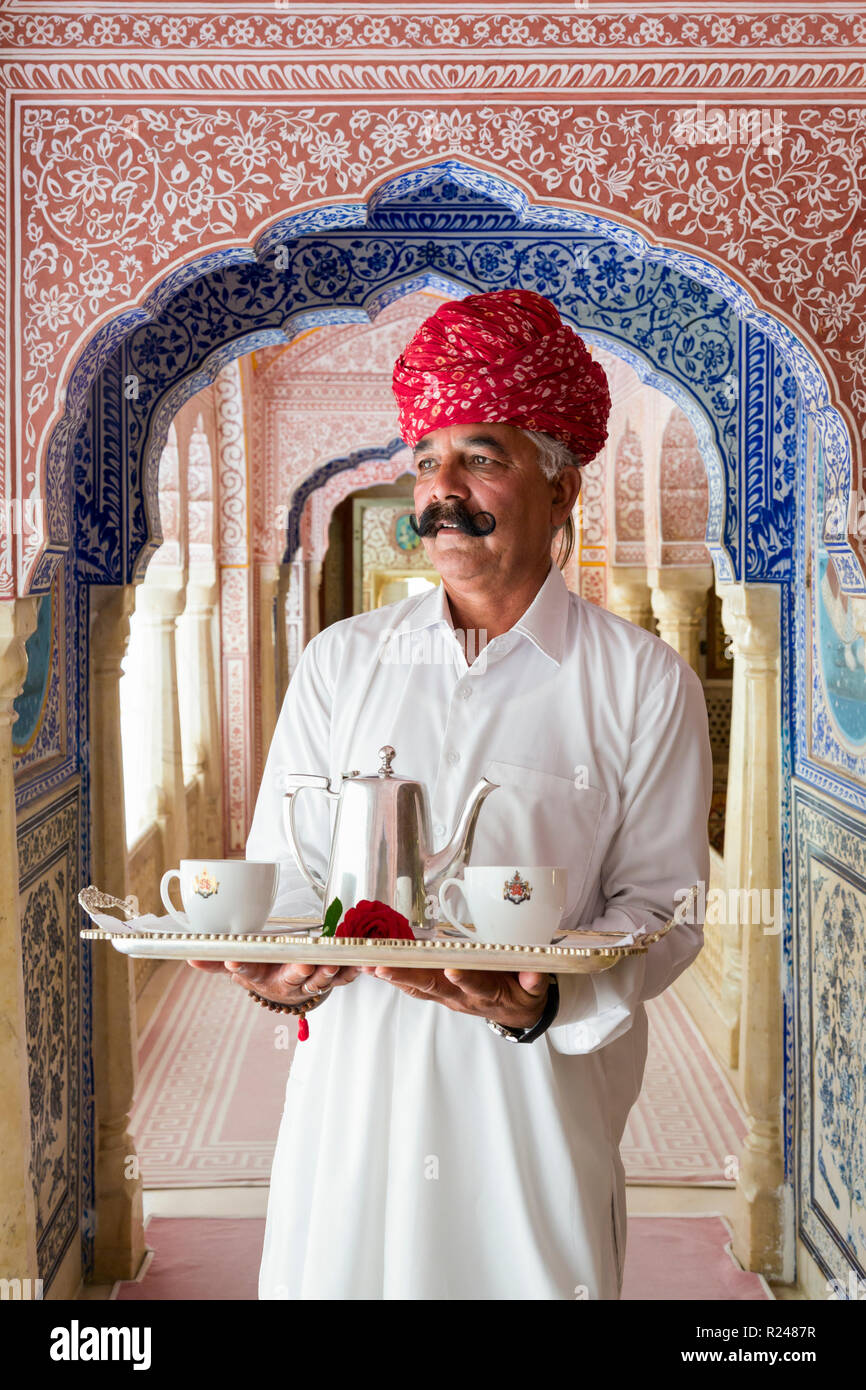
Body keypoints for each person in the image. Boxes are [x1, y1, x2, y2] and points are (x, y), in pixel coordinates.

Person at [191, 288, 713, 1299]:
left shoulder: (642, 681)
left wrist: (540, 996)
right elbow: (289, 869)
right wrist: (274, 969)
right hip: (350, 1089)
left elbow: (666, 909)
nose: (441, 490)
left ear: (560, 489)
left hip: (530, 1098)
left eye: (480, 457)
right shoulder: (342, 663)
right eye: (425, 460)